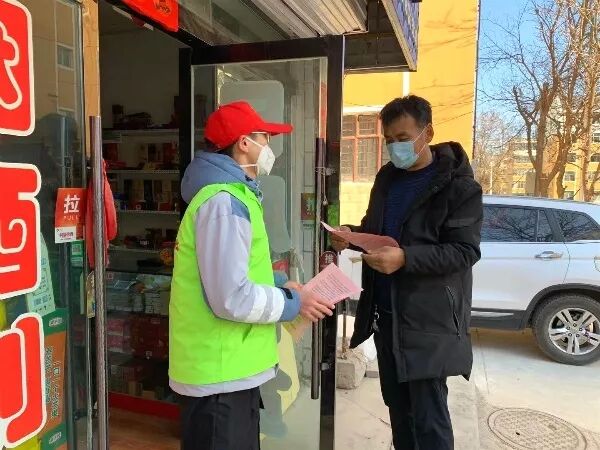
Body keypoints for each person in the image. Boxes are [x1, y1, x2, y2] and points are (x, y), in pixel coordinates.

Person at [169, 101, 334, 450]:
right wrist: (293, 302)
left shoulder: (235, 197)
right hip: (219, 378)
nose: (270, 146)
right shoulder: (224, 203)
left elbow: (232, 273)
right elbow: (231, 297)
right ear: (244, 142)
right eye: (265, 137)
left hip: (230, 373)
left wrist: (280, 284)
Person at [331, 95, 483, 450]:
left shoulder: (459, 188)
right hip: (387, 319)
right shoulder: (387, 179)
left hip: (428, 324)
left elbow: (465, 251)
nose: (394, 147)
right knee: (399, 415)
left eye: (402, 138)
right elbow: (376, 232)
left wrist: (406, 259)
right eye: (388, 140)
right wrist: (351, 236)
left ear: (427, 133)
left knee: (429, 423)